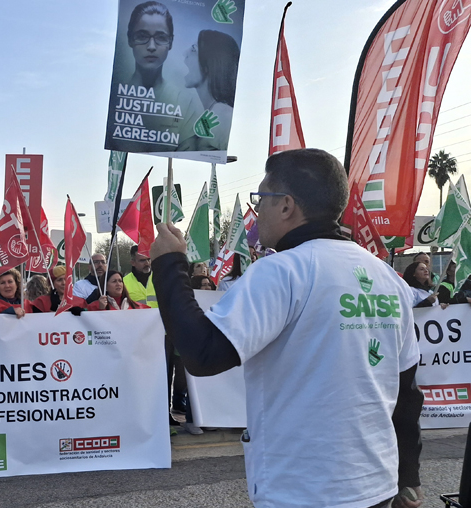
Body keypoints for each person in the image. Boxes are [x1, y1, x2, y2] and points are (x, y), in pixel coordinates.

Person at [150, 149, 423, 508]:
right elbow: (407, 393)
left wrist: (169, 265)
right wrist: (408, 479)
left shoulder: (282, 271)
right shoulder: (388, 277)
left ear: (286, 205)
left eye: (261, 198)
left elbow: (202, 354)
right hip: (376, 483)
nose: (257, 211)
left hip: (302, 489)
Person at [108, 1, 199, 153]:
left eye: (161, 37)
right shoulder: (115, 103)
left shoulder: (184, 103)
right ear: (130, 39)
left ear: (170, 42)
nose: (151, 46)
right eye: (142, 36)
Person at [177, 30, 241, 152]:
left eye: (193, 50)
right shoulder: (214, 111)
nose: (184, 53)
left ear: (208, 63)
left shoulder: (221, 113)